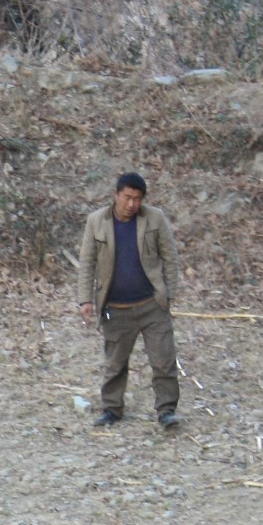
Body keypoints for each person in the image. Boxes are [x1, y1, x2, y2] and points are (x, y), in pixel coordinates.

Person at [76, 171, 182, 429]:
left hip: (152, 305)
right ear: (116, 195)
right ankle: (112, 409)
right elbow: (87, 262)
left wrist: (169, 293)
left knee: (164, 360)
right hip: (115, 307)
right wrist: (85, 300)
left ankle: (166, 410)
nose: (132, 204)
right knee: (114, 363)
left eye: (137, 199)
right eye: (127, 197)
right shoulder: (96, 221)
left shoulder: (155, 218)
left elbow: (170, 256)